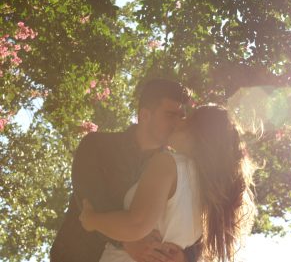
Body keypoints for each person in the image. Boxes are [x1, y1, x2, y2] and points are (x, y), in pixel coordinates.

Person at [79, 105, 256, 262]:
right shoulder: (210, 197)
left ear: (198, 132)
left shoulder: (168, 164)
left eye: (186, 119)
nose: (177, 123)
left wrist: (91, 219)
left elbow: (136, 225)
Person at [50, 78, 201, 262]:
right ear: (144, 115)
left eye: (181, 116)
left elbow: (194, 222)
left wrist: (187, 257)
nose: (178, 123)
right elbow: (90, 202)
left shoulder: (177, 169)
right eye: (170, 115)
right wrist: (127, 241)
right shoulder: (97, 145)